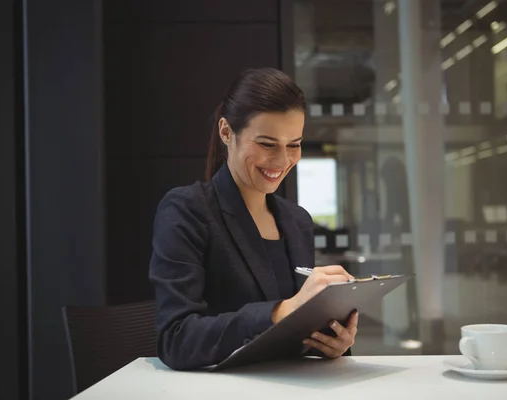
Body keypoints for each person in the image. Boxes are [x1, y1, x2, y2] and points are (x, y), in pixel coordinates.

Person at [149, 67, 359, 371]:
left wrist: (332, 341)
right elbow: (177, 340)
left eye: (294, 145)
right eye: (267, 143)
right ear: (226, 132)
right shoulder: (187, 210)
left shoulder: (297, 221)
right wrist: (281, 312)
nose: (282, 160)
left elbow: (292, 336)